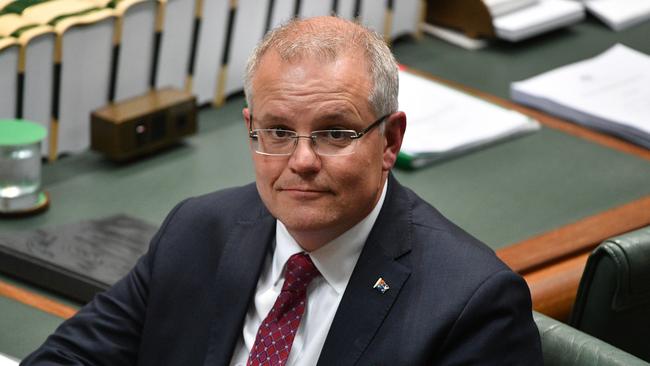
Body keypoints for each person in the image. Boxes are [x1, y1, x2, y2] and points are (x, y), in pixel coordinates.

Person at [23, 16, 542, 365]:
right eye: (277, 132)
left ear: (391, 140)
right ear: (251, 127)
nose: (301, 161)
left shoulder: (471, 305)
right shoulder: (198, 231)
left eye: (335, 132)